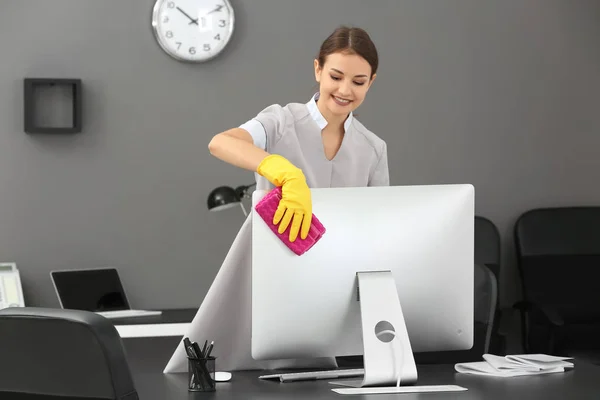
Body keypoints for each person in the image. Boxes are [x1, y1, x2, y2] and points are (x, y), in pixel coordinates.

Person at [164, 25, 389, 374]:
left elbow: (378, 232)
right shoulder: (281, 122)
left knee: (313, 374)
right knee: (226, 372)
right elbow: (221, 142)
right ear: (318, 70)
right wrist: (282, 169)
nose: (345, 90)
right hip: (268, 274)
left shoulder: (373, 149)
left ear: (371, 82)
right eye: (335, 76)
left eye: (358, 82)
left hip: (326, 285)